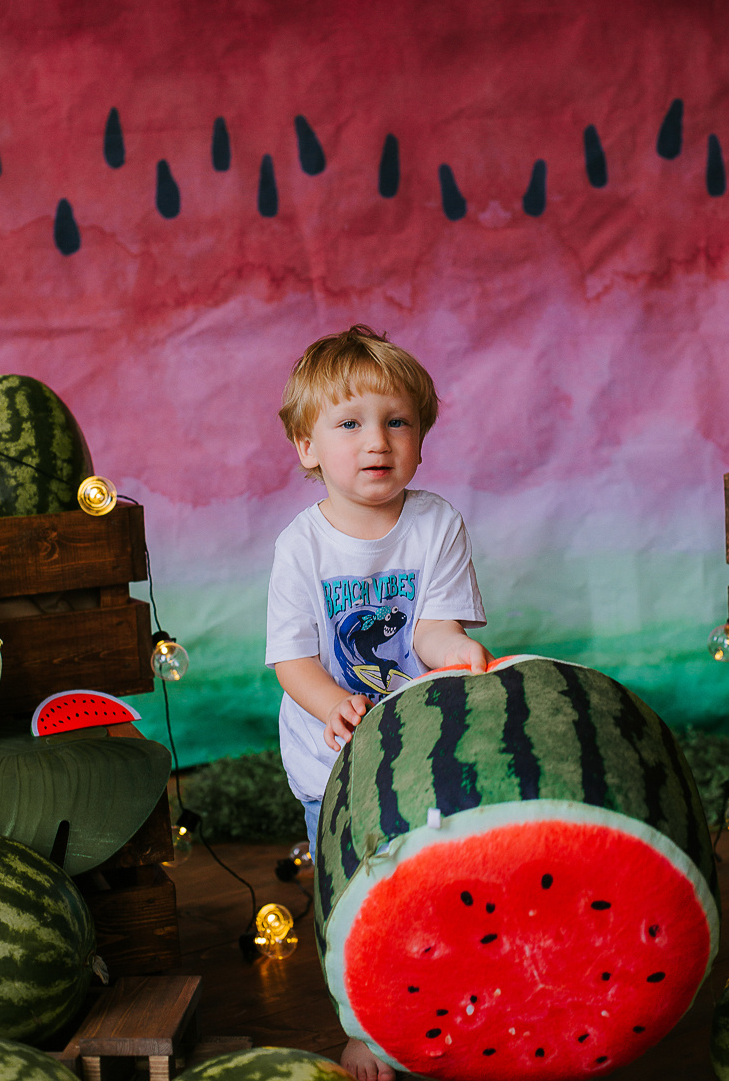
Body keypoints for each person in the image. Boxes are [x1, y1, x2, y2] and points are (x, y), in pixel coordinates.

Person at [265, 324, 493, 1081]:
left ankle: (435, 996)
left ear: (421, 441)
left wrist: (454, 652)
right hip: (326, 761)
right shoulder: (301, 546)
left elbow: (430, 626)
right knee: (347, 893)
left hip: (414, 748)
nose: (377, 441)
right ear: (307, 447)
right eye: (351, 423)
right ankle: (359, 1021)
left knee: (425, 881)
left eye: (398, 422)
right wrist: (331, 702)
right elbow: (291, 659)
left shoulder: (436, 524)